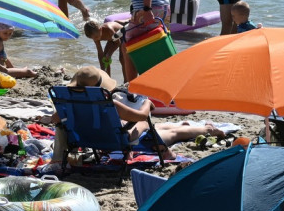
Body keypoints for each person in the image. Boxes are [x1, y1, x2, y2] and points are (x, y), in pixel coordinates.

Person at [59, 67, 223, 160]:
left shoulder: (67, 105)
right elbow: (141, 117)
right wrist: (147, 104)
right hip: (117, 141)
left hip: (90, 138)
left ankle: (183, 125)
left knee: (153, 127)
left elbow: (54, 119)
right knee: (167, 131)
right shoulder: (110, 104)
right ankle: (207, 130)